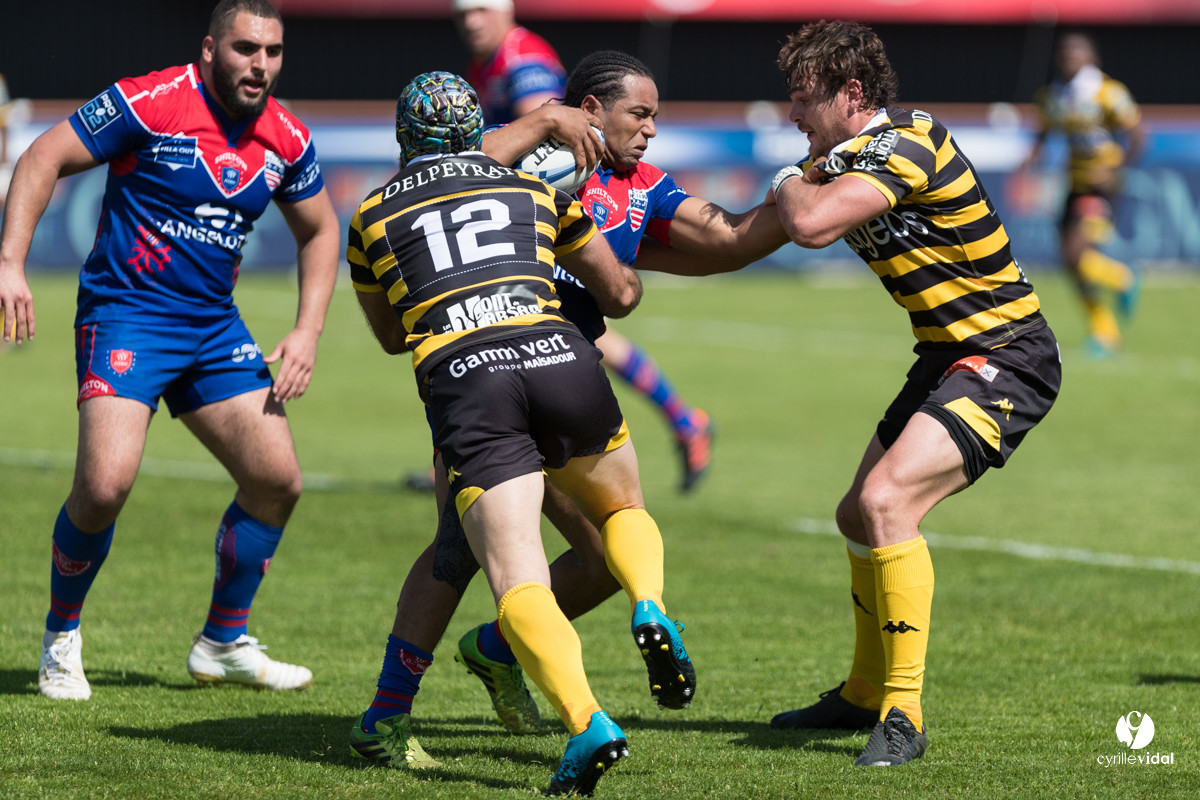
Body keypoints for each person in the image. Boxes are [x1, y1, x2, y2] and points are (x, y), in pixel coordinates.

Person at [346, 50, 787, 763]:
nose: (648, 131)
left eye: (654, 118)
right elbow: (619, 293)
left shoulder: (639, 187)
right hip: (560, 373)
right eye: (638, 115)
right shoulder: (529, 175)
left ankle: (497, 656)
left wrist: (795, 206)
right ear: (591, 112)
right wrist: (544, 125)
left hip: (491, 380)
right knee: (482, 550)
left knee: (577, 562)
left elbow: (729, 239)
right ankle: (392, 710)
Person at [0, 0, 340, 700]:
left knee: (277, 481)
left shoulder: (286, 137)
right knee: (104, 486)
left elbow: (321, 231)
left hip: (212, 328)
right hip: (126, 317)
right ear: (210, 49)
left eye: (273, 52)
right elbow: (42, 156)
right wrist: (10, 262)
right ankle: (61, 636)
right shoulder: (150, 102)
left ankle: (222, 642)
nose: (262, 65)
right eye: (247, 49)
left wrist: (307, 329)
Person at [765, 20, 1062, 766]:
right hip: (946, 354)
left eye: (804, 99)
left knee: (887, 502)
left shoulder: (905, 144)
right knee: (854, 516)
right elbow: (761, 231)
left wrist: (786, 178)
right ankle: (865, 691)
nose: (793, 115)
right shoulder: (843, 158)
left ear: (852, 94)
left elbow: (806, 223)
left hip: (1007, 353)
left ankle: (903, 714)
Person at [446, 0, 714, 492]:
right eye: (463, 15)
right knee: (574, 331)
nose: (472, 22)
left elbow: (557, 137)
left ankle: (684, 420)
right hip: (525, 218)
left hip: (561, 207)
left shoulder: (521, 58)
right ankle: (684, 420)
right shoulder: (484, 64)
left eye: (481, 11)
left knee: (567, 326)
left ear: (506, 12)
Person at [1022, 31, 1145, 357]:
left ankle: (1121, 277)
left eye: (1076, 53)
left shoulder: (1109, 93)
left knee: (1076, 254)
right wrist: (1032, 157)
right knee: (1070, 263)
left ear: (1091, 57)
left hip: (1100, 186)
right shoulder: (1055, 96)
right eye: (1064, 53)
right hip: (1074, 183)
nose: (1069, 58)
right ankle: (1104, 332)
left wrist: (1117, 170)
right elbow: (1045, 129)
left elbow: (1138, 134)